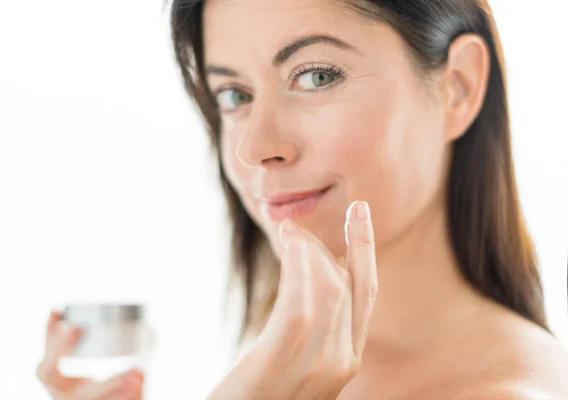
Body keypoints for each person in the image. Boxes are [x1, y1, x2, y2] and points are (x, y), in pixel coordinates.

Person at [37, 0, 568, 399]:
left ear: (458, 86)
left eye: (315, 76)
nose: (254, 147)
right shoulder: (290, 366)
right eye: (234, 95)